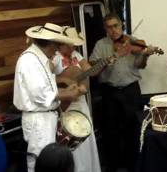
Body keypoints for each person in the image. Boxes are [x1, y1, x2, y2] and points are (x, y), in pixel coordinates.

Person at [13, 23, 87, 172]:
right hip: (38, 121)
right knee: (42, 163)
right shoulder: (30, 61)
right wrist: (69, 94)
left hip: (46, 118)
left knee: (51, 163)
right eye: (57, 45)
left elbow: (47, 85)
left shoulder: (39, 59)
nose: (58, 50)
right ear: (50, 43)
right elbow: (40, 95)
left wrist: (67, 88)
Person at [89, 13, 152, 172]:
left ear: (121, 25)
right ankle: (113, 165)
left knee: (132, 128)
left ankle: (132, 163)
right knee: (110, 130)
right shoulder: (100, 44)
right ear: (105, 29)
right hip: (109, 92)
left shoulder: (133, 41)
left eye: (116, 26)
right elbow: (93, 70)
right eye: (109, 27)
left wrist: (145, 55)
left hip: (130, 90)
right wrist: (110, 58)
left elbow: (141, 65)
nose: (113, 30)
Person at [52, 27, 101, 172]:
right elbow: (47, 78)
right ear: (62, 43)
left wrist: (102, 64)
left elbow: (90, 72)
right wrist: (63, 79)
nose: (73, 46)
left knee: (85, 136)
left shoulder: (77, 55)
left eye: (73, 43)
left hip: (80, 102)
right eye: (70, 43)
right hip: (65, 104)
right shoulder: (54, 58)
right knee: (71, 138)